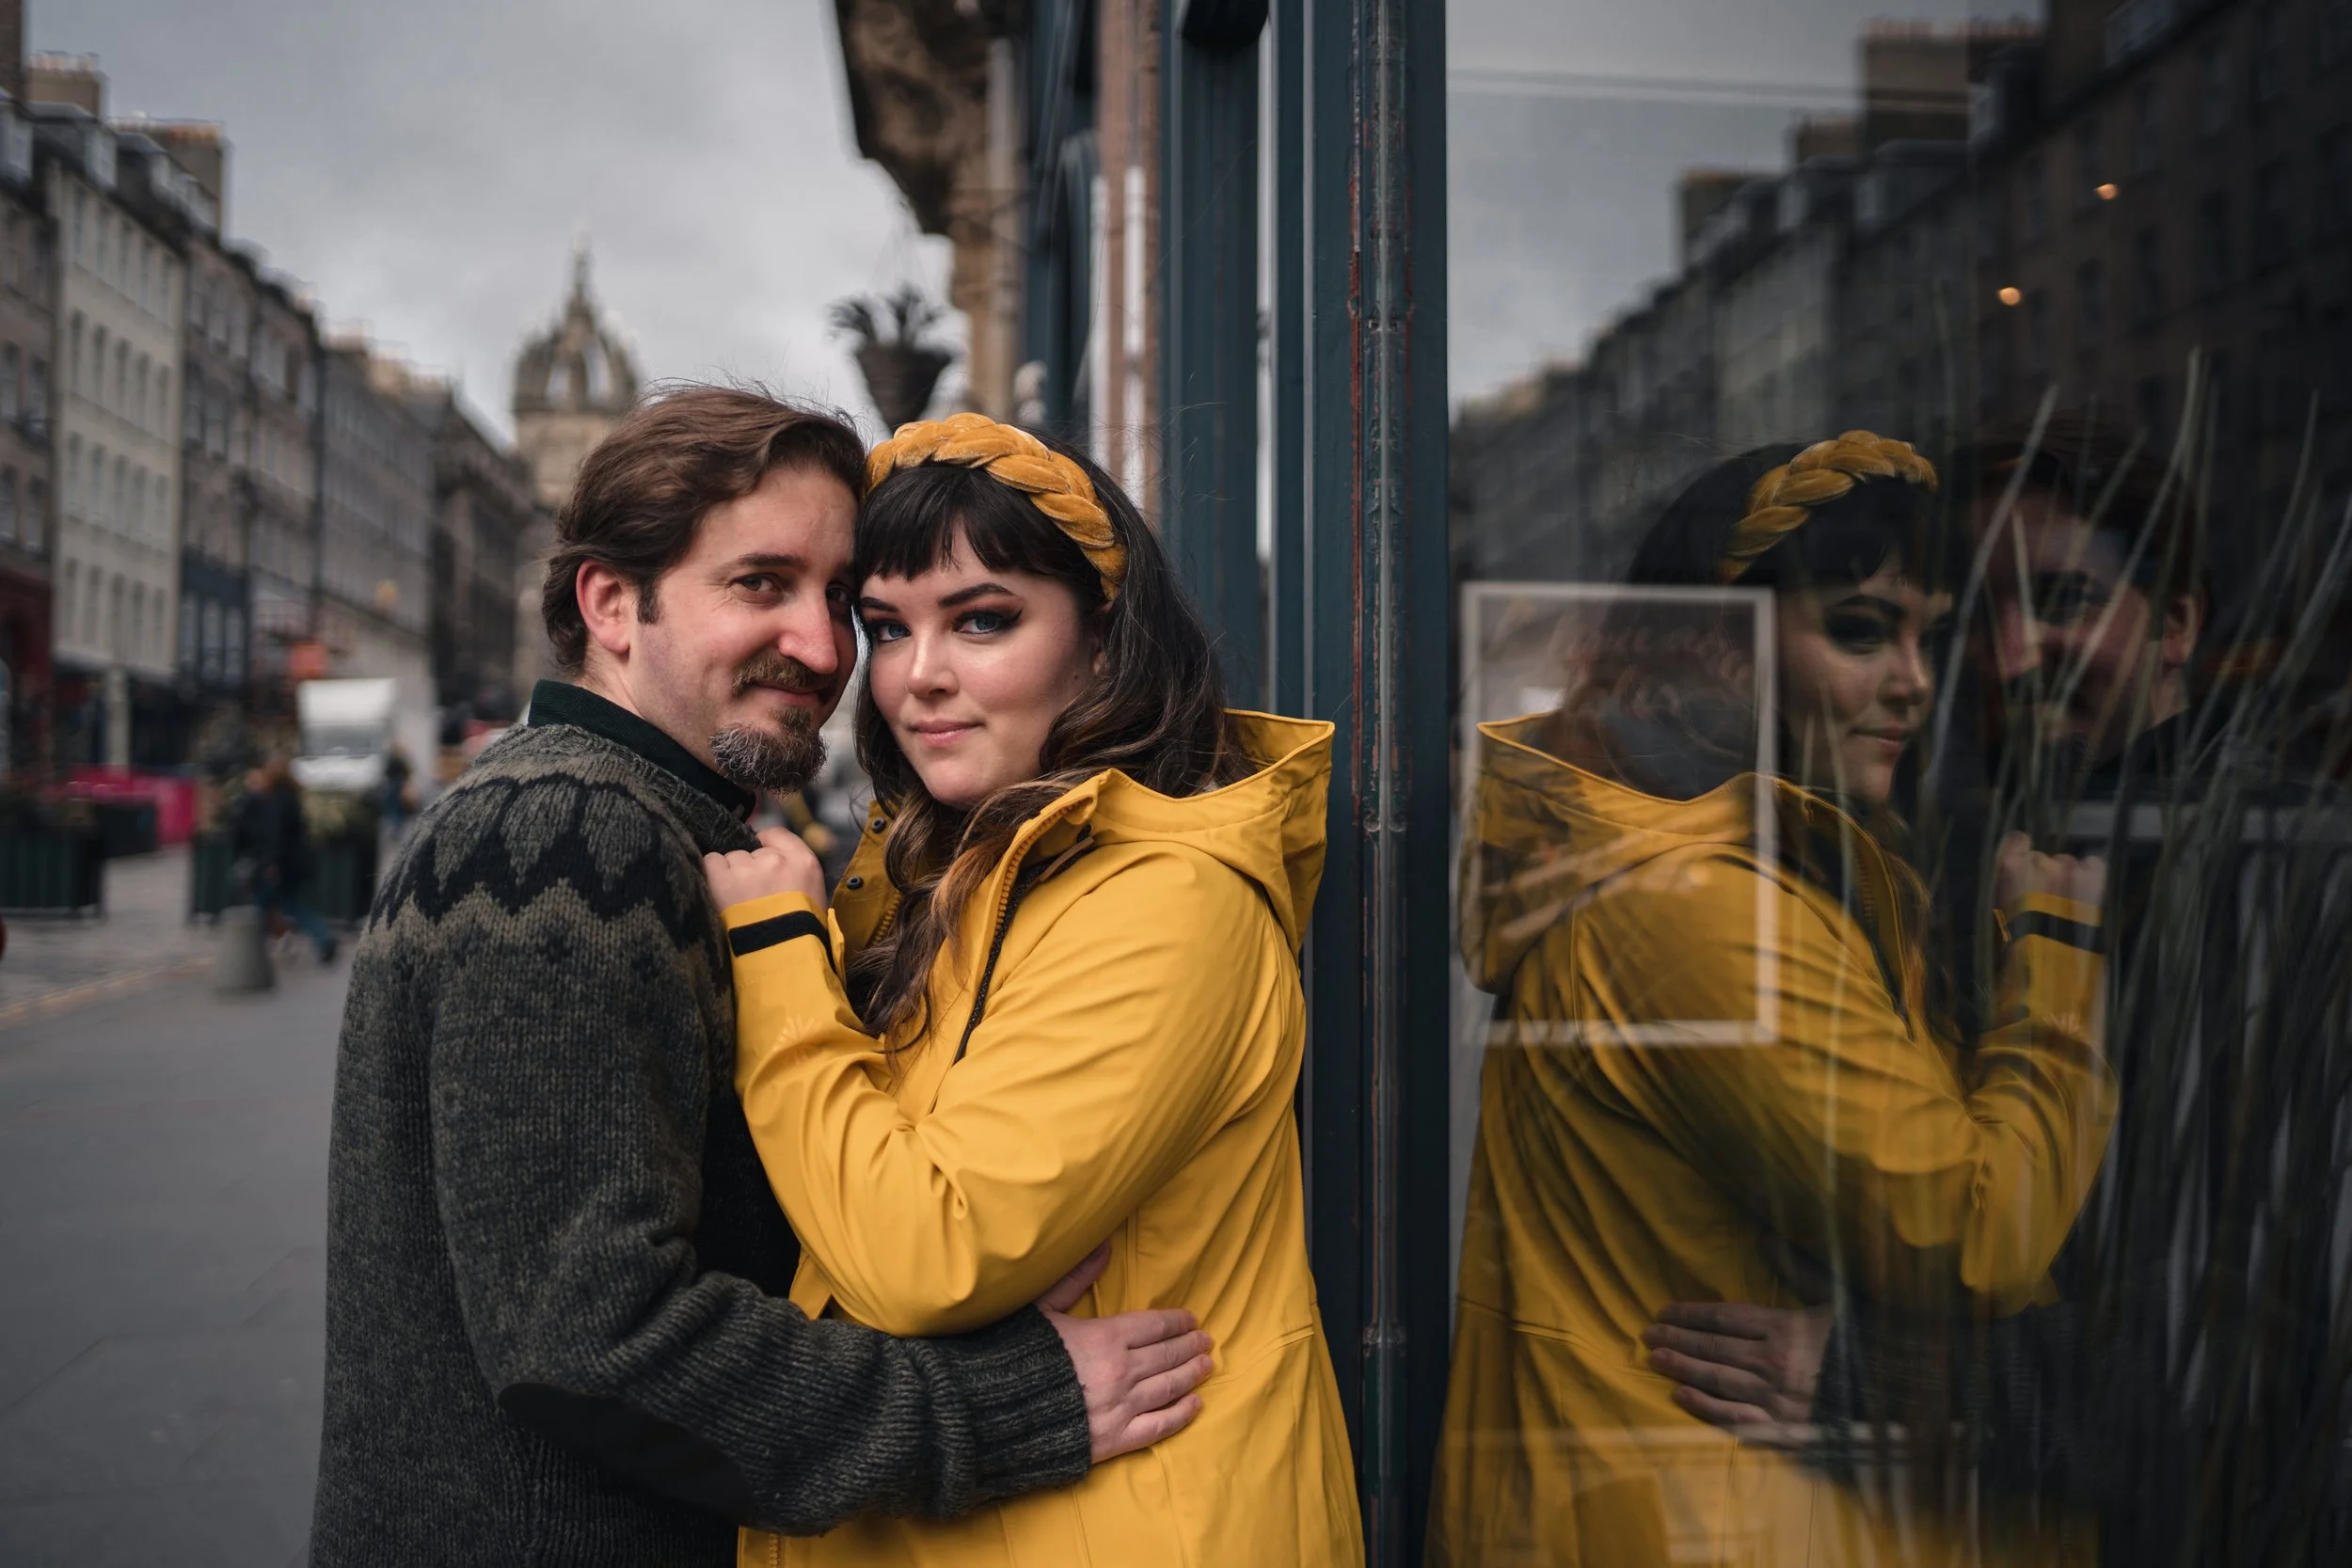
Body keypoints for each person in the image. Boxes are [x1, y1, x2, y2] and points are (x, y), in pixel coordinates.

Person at [310, 388, 1214, 1566]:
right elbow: (591, 1330)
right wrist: (987, 1405)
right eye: (760, 584)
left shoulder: (652, 829)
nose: (825, 646)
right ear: (612, 603)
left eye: (841, 600)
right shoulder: (570, 838)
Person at [1643, 418, 2352, 1565]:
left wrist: (1874, 1376)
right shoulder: (1941, 851)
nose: (2013, 653)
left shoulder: (2268, 864)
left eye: (2065, 600)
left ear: (2174, 623)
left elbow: (2265, 1329)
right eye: (1980, 614)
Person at [1425, 432, 2111, 1567]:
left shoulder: (1721, 874)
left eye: (1926, 637)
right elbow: (1977, 1230)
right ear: (1720, 653)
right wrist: (2058, 951)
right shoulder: (1698, 907)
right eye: (1858, 629)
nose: (1915, 682)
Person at [702, 412, 1365, 1566]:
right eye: (887, 628)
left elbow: (922, 1249)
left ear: (1103, 642)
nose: (920, 677)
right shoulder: (949, 869)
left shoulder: (1165, 896)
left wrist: (774, 952)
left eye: (984, 619)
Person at [231, 753, 336, 963]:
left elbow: (276, 836)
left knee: (267, 903)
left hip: (282, 864)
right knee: (288, 904)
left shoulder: (277, 801)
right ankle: (321, 939)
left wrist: (272, 863)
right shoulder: (291, 797)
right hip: (294, 863)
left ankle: (254, 948)